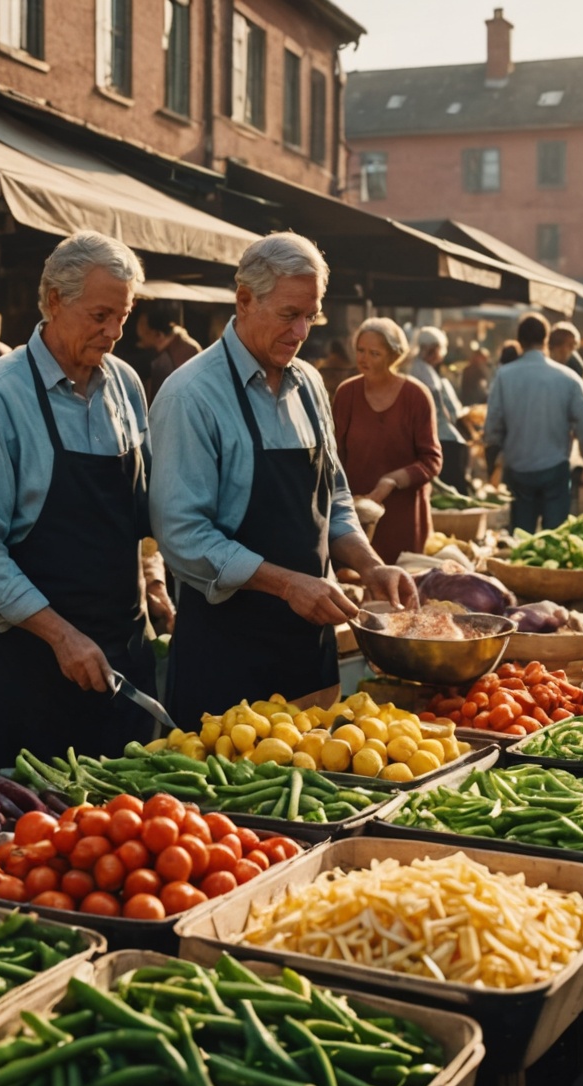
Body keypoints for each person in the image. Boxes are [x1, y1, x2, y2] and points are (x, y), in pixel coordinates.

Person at [152, 233, 417, 723]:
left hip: (307, 654)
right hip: (226, 658)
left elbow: (333, 497)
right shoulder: (190, 395)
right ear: (245, 299)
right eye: (288, 314)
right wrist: (288, 585)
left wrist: (371, 565)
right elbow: (183, 534)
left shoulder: (310, 384)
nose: (301, 332)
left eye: (311, 317)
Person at [0, 232, 156, 769]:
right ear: (54, 300)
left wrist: (156, 575)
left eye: (123, 317)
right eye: (100, 315)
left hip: (124, 657)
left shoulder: (126, 386)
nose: (113, 333)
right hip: (32, 667)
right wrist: (62, 636)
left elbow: (142, 506)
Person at [333, 319, 441, 561]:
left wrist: (393, 480)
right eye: (360, 350)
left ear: (393, 356)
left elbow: (432, 460)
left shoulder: (416, 396)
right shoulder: (346, 394)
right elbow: (334, 455)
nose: (364, 359)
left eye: (374, 353)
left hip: (402, 519)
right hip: (356, 518)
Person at [485, 312, 583, 533]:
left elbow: (492, 427)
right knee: (554, 539)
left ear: (519, 341)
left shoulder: (504, 376)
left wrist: (498, 458)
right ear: (546, 340)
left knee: (520, 538)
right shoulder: (568, 378)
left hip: (518, 468)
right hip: (555, 468)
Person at [409, 327, 468, 492]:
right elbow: (442, 410)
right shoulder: (424, 372)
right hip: (440, 437)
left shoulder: (416, 368)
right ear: (432, 349)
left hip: (433, 435)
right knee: (451, 487)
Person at [134, 302, 203, 404]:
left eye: (146, 334)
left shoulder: (166, 360)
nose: (141, 341)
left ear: (158, 334)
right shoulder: (182, 343)